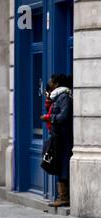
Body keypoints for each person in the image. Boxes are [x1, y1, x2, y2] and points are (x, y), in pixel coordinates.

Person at [40, 74, 73, 207]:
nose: (48, 82)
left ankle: (63, 197)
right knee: (56, 162)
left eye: (51, 81)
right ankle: (62, 195)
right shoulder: (56, 97)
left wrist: (49, 118)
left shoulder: (64, 97)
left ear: (57, 83)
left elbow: (64, 116)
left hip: (63, 137)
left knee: (62, 163)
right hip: (57, 136)